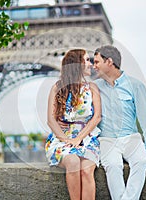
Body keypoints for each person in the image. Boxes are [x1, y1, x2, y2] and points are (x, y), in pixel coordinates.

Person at [93, 45, 146, 200]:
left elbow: (145, 119)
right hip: (107, 140)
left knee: (140, 162)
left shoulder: (135, 85)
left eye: (97, 62)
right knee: (113, 166)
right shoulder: (95, 87)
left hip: (131, 138)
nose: (94, 65)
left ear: (109, 62)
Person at [45, 49, 102, 200]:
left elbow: (96, 118)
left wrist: (78, 139)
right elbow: (51, 120)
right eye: (87, 60)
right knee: (73, 162)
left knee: (87, 170)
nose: (90, 64)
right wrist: (67, 140)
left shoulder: (92, 88)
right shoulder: (57, 88)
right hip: (62, 138)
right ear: (78, 64)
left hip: (87, 138)